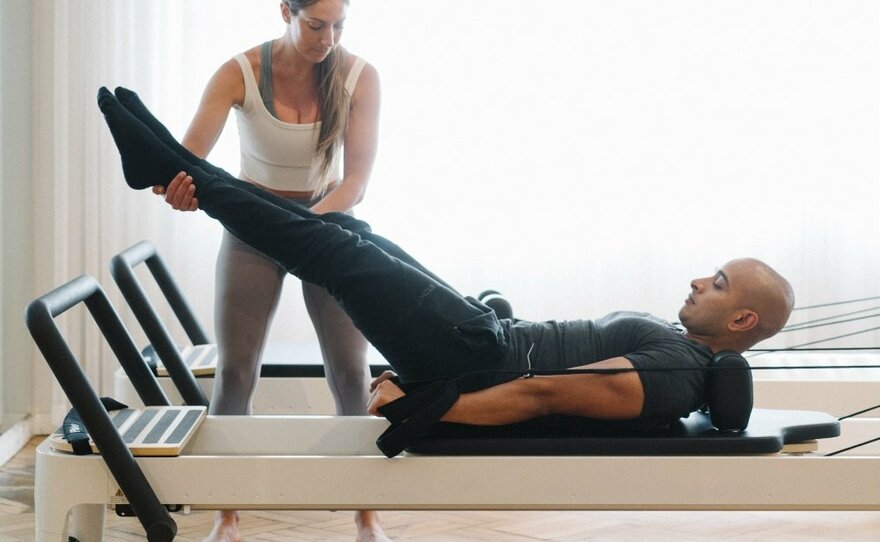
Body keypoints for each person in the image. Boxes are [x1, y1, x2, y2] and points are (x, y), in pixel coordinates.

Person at [99, 86, 797, 440]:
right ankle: (178, 164)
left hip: (473, 356)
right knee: (348, 229)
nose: (699, 280)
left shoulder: (677, 373)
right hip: (481, 333)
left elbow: (544, 393)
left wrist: (429, 408)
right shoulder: (680, 352)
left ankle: (167, 164)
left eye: (719, 282)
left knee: (334, 250)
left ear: (740, 317)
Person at [150, 0, 383, 540]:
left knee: (352, 374)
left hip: (328, 228)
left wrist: (300, 223)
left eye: (338, 26)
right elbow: (186, 162)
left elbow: (355, 183)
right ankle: (227, 516)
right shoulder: (240, 72)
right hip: (253, 230)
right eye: (315, 25)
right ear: (286, 12)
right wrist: (177, 187)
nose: (327, 40)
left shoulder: (360, 76)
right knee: (235, 372)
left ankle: (367, 514)